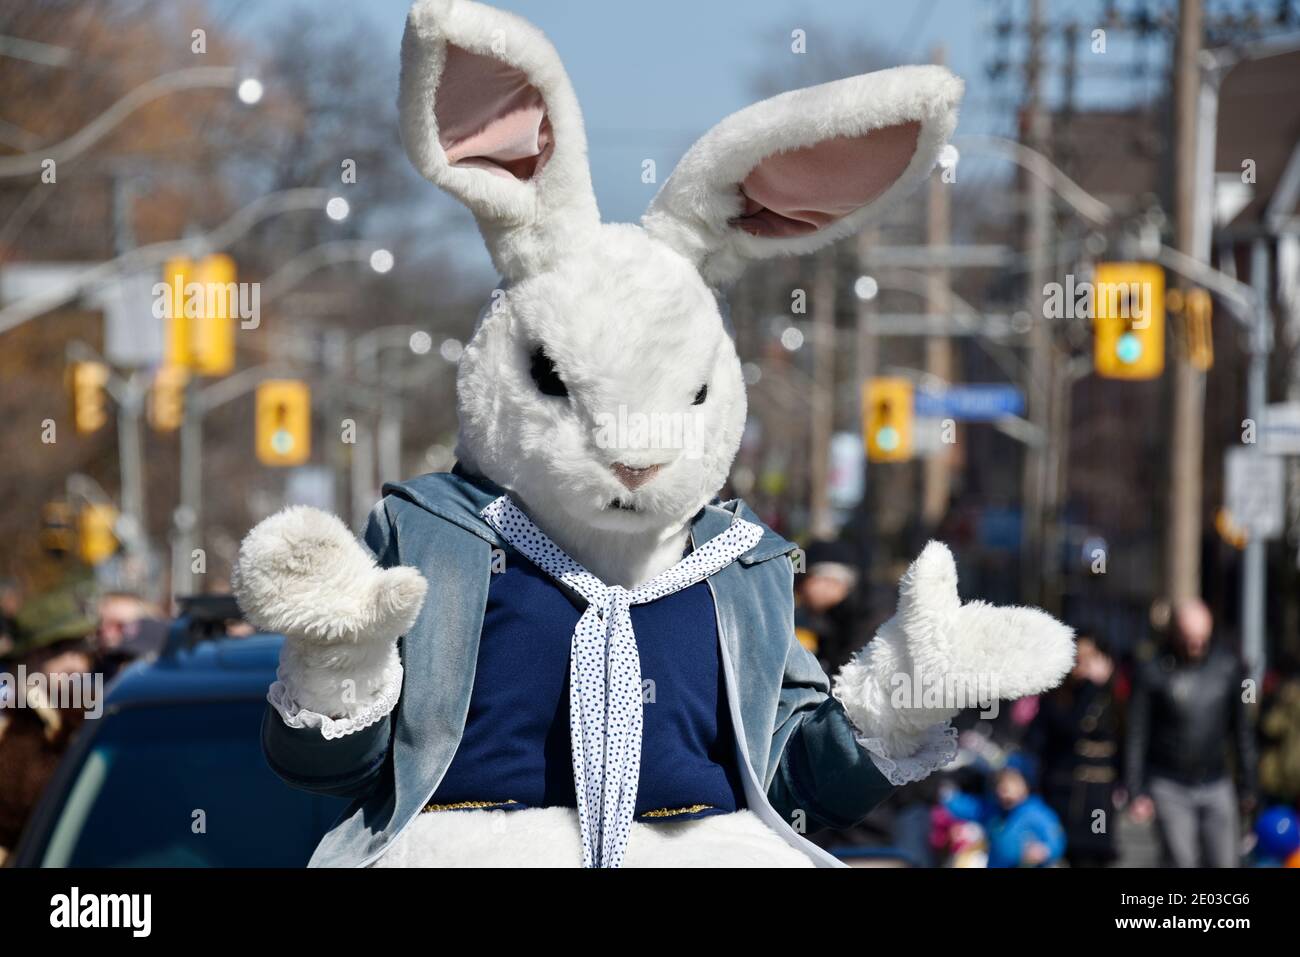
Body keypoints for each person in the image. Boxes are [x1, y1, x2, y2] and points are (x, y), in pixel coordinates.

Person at [1125, 598, 1256, 867]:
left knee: (1225, 860)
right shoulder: (1153, 670)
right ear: (1175, 633)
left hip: (1216, 781)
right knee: (1180, 859)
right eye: (1188, 639)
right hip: (1169, 782)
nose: (1195, 646)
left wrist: (1248, 784)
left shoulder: (1228, 667)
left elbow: (1242, 731)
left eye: (1200, 639)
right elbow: (1136, 734)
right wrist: (1135, 789)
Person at [1027, 635, 1122, 867]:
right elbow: (1070, 729)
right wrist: (1091, 687)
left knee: (1096, 855)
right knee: (1064, 854)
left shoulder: (1113, 698)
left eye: (1091, 659)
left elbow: (1125, 742)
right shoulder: (1057, 698)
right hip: (1063, 793)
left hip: (1098, 800)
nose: (1085, 666)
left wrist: (1127, 785)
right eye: (1079, 660)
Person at [943, 755, 1067, 868]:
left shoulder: (1038, 814)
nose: (1003, 789)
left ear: (1026, 784)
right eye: (1000, 783)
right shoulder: (993, 811)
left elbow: (1056, 841)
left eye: (1011, 782)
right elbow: (968, 807)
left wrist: (1045, 850)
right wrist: (945, 796)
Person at [793, 539, 863, 674]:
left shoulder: (868, 617)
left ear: (828, 581)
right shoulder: (822, 619)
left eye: (802, 581)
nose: (799, 591)